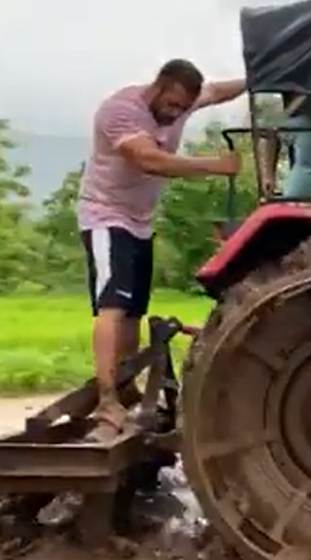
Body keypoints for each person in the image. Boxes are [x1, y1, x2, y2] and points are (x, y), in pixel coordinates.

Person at [78, 59, 246, 441]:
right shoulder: (121, 110)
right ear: (158, 88)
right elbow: (148, 159)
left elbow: (218, 91)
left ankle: (126, 387)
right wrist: (214, 166)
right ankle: (106, 399)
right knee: (112, 307)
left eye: (184, 108)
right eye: (172, 106)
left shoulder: (183, 102)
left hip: (139, 221)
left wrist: (259, 77)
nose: (176, 114)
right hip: (107, 216)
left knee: (134, 311)